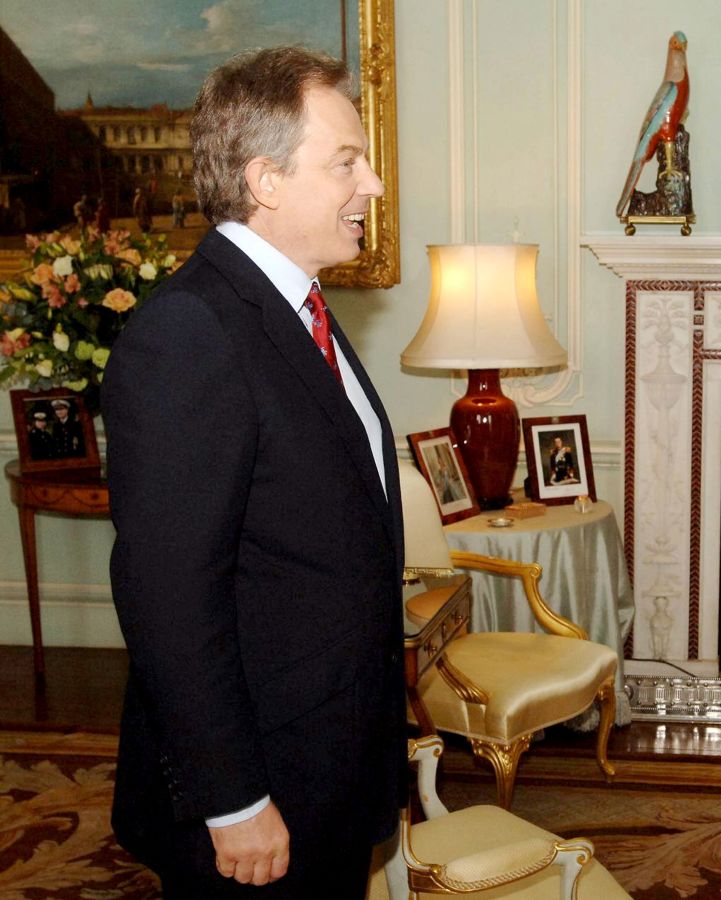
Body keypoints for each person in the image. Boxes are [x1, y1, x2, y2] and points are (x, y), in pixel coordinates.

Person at [102, 46, 397, 898]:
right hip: (257, 787)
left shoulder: (295, 305)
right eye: (347, 161)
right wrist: (231, 799)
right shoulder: (190, 333)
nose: (370, 185)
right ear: (266, 180)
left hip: (328, 766)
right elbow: (168, 594)